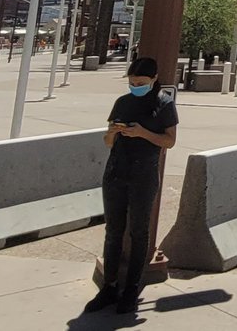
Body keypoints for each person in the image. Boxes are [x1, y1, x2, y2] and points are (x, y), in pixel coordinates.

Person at [83, 56, 178, 315]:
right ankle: (109, 287)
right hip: (116, 173)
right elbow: (107, 141)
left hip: (143, 175)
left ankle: (131, 290)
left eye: (141, 82)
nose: (135, 86)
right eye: (132, 82)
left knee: (139, 232)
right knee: (113, 231)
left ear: (154, 79)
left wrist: (143, 133)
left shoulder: (164, 104)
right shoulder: (122, 103)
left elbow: (169, 141)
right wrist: (113, 132)